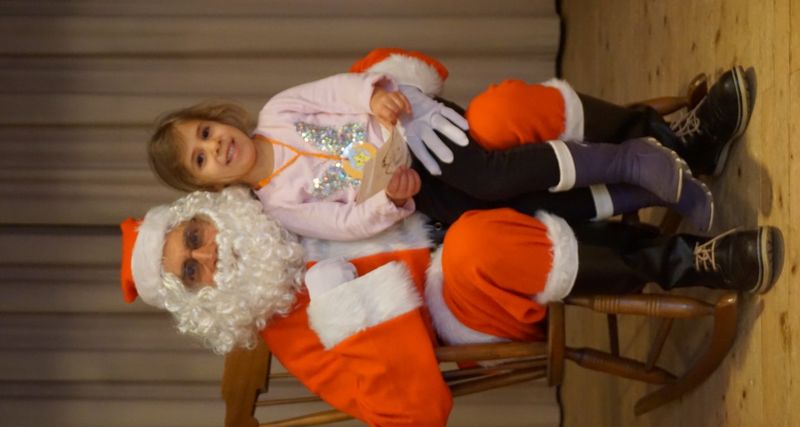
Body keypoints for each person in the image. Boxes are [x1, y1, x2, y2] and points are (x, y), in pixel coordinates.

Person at [120, 186, 782, 427]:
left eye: (195, 236)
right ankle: (691, 262)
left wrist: (382, 94)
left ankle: (659, 153)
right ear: (199, 301)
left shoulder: (283, 188)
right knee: (476, 244)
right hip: (470, 300)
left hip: (461, 196)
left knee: (495, 126)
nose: (210, 255)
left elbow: (355, 129)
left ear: (209, 213)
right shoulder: (293, 335)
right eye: (191, 271)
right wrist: (344, 305)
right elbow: (413, 418)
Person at [146, 49, 750, 239]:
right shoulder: (280, 206)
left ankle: (631, 158)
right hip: (414, 184)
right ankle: (650, 190)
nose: (215, 147)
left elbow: (337, 89)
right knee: (494, 209)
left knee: (487, 176)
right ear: (210, 186)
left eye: (206, 132)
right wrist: (390, 200)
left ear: (218, 118)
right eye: (201, 159)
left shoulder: (278, 112)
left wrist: (375, 100)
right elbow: (345, 223)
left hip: (420, 129)